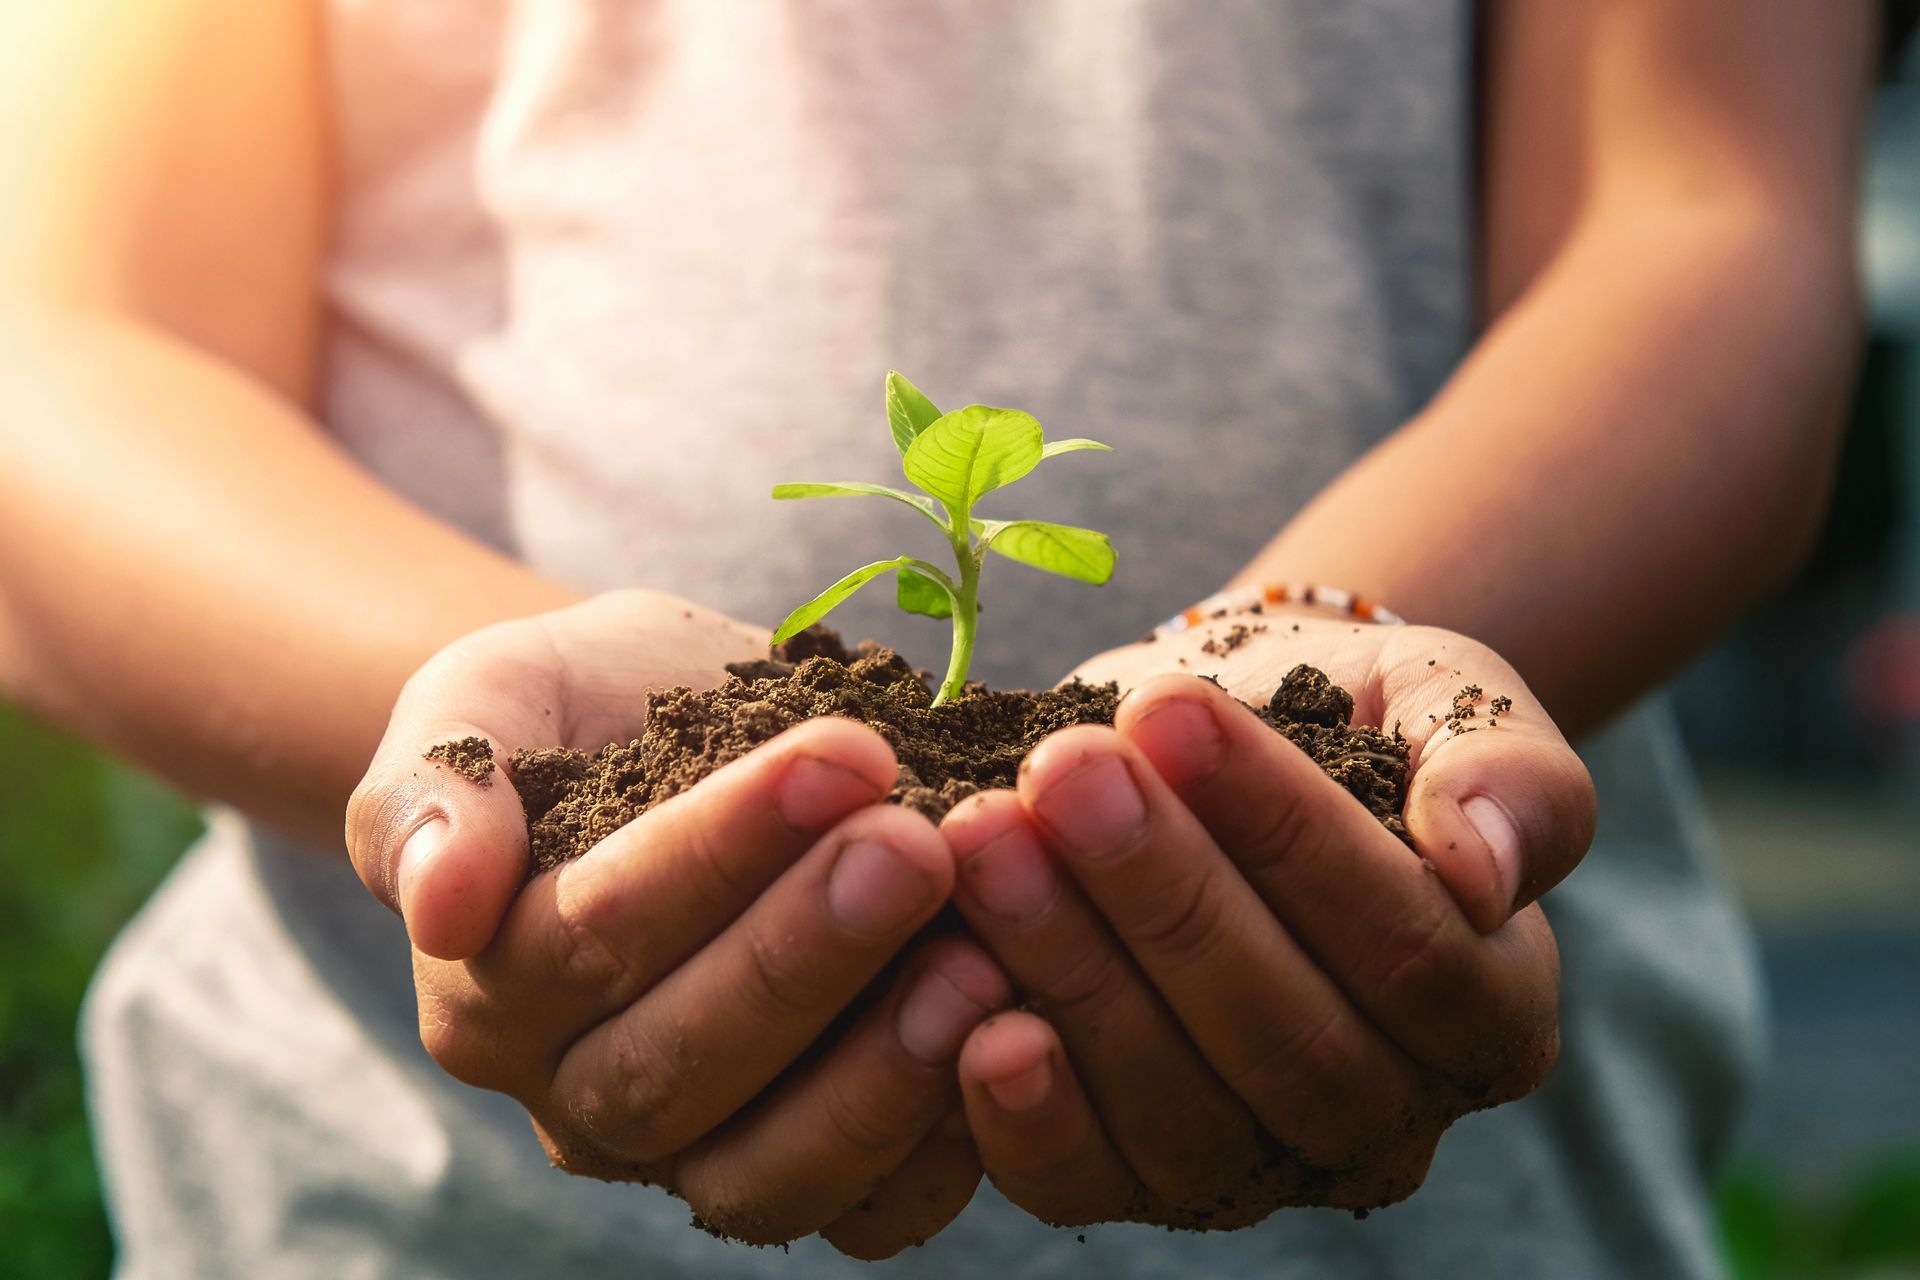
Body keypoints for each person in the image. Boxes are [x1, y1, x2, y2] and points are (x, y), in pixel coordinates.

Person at [0, 1, 1875, 1276]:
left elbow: (1700, 212)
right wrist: (541, 782)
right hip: (414, 1212)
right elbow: (69, 358)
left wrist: (1323, 674)